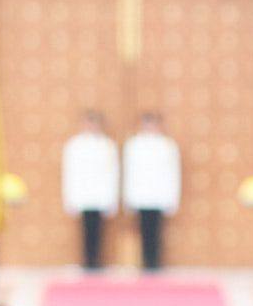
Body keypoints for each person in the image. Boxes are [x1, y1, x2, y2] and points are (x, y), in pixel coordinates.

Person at [124, 110, 181, 271]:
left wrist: (172, 198)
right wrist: (129, 198)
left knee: (157, 232)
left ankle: (155, 264)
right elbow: (130, 173)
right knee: (143, 231)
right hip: (141, 195)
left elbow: (173, 174)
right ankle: (144, 263)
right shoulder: (134, 145)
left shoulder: (168, 146)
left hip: (159, 195)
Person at [64, 109, 120, 273]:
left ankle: (96, 262)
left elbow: (112, 173)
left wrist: (112, 199)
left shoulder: (107, 145)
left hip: (100, 195)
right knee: (85, 231)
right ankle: (86, 262)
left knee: (99, 232)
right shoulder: (74, 145)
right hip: (82, 194)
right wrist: (70, 199)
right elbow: (70, 173)